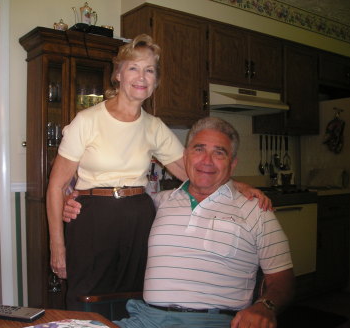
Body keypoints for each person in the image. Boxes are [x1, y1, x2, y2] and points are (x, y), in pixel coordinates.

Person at [47, 34, 271, 311]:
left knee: (133, 301)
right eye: (134, 68)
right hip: (93, 217)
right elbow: (56, 187)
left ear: (155, 81)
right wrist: (57, 247)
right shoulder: (87, 121)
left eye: (149, 70)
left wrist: (239, 186)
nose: (142, 76)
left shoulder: (154, 126)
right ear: (118, 74)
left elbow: (191, 170)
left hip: (139, 217)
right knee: (86, 299)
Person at [64, 117, 295, 328]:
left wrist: (265, 306)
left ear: (232, 164)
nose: (207, 160)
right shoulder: (157, 202)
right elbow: (110, 210)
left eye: (219, 153)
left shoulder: (255, 210)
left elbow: (283, 280)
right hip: (144, 322)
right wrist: (73, 204)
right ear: (185, 157)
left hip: (212, 326)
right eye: (199, 149)